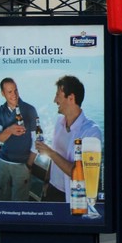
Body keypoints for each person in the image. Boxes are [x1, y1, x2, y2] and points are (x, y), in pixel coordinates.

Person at [34, 75, 102, 204]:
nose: (55, 100)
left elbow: (81, 173)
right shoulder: (59, 122)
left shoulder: (92, 132)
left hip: (72, 198)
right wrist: (46, 182)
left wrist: (50, 153)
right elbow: (53, 161)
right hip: (51, 191)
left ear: (71, 98)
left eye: (58, 95)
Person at [0, 78, 40, 201]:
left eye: (16, 90)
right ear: (3, 93)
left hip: (21, 165)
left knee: (20, 204)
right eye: (10, 92)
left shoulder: (30, 110)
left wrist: (28, 164)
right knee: (2, 200)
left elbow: (37, 139)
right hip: (3, 164)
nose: (14, 95)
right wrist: (10, 130)